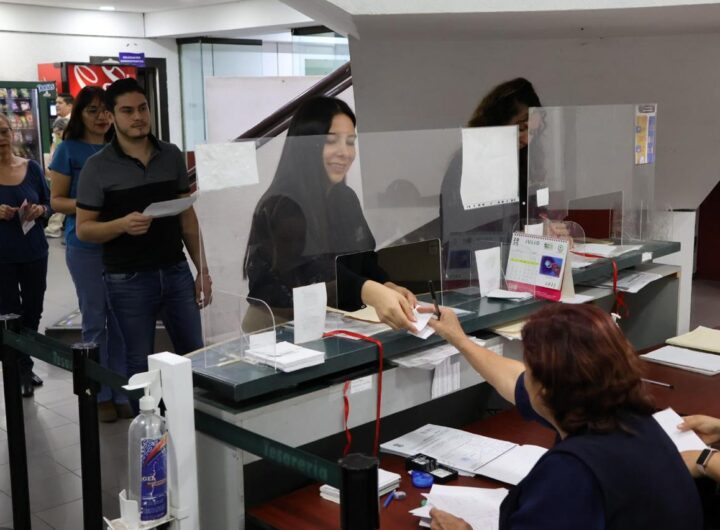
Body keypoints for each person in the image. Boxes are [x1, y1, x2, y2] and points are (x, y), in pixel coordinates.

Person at [424, 303, 702, 530]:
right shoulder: (628, 417)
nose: (524, 376)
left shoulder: (571, 474)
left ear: (544, 390)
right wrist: (459, 339)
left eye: (529, 370)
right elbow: (512, 379)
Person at [75, 78, 212, 382]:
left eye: (143, 108)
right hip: (128, 279)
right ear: (111, 116)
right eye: (127, 111)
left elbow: (187, 217)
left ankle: (194, 412)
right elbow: (84, 230)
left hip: (176, 271)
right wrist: (121, 225)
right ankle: (148, 415)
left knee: (195, 354)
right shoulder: (97, 167)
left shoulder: (171, 155)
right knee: (139, 361)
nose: (138, 116)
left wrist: (202, 270)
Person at [243, 96, 417, 331]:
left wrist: (386, 285)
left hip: (331, 320)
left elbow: (363, 258)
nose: (345, 153)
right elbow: (308, 275)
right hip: (279, 325)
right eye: (331, 141)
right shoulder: (283, 204)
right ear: (307, 145)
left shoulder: (344, 197)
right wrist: (368, 290)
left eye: (350, 142)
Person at [48, 86, 131, 422]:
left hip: (121, 243)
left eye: (106, 110)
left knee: (122, 320)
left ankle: (122, 389)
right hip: (85, 246)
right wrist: (93, 206)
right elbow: (56, 200)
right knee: (95, 319)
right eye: (92, 110)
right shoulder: (68, 149)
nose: (101, 117)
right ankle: (100, 395)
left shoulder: (121, 147)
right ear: (79, 114)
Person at [440, 78, 542, 243]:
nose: (527, 140)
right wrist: (521, 237)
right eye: (521, 129)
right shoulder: (467, 166)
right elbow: (463, 234)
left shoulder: (520, 162)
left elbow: (524, 218)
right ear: (497, 123)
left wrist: (544, 227)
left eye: (533, 132)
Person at [0, 113, 51, 397]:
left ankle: (23, 361)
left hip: (34, 252)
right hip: (2, 258)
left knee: (33, 310)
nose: (1, 139)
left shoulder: (31, 168)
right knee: (8, 313)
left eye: (4, 131)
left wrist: (40, 210)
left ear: (12, 133)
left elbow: (49, 203)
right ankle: (19, 368)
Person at [45, 116, 69, 239]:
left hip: (64, 178)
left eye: (58, 133)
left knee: (60, 202)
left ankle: (54, 228)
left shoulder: (66, 147)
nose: (57, 136)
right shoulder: (61, 145)